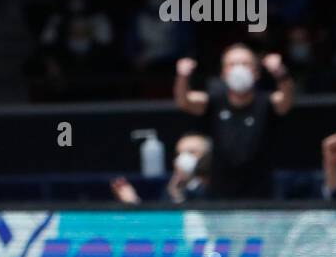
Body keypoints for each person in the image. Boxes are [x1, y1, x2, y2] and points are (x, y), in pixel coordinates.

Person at [174, 45, 293, 199]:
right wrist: (182, 77)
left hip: (261, 193)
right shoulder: (214, 101)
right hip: (220, 193)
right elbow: (184, 101)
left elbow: (287, 100)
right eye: (232, 65)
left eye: (245, 64)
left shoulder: (266, 102)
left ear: (256, 72)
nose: (239, 69)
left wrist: (280, 74)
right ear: (223, 73)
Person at [111, 134, 210, 204]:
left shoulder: (214, 188)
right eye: (179, 154)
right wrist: (134, 202)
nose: (183, 159)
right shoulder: (170, 190)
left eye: (191, 152)